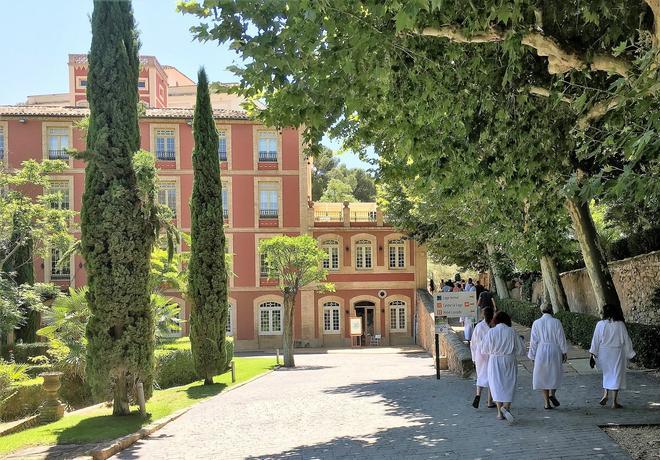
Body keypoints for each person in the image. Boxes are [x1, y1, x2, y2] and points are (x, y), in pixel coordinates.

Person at [589, 304, 635, 409]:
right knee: (616, 375)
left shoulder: (600, 324)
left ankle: (605, 395)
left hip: (604, 352)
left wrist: (592, 353)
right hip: (617, 352)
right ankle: (614, 402)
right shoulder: (620, 325)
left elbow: (595, 340)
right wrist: (630, 353)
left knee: (607, 373)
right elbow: (626, 339)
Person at [481, 311, 524, 423]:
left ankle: (500, 412)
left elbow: (484, 349)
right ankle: (506, 407)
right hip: (509, 359)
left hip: (495, 360)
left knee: (496, 384)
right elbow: (520, 349)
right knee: (509, 383)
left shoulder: (491, 332)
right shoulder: (512, 331)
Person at [528, 303, 568, 410]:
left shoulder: (536, 323)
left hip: (541, 350)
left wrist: (532, 355)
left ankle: (546, 403)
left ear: (541, 311)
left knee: (543, 375)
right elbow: (561, 338)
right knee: (555, 373)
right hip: (554, 349)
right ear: (551, 310)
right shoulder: (556, 322)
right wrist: (564, 351)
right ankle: (552, 393)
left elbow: (533, 341)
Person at [471, 307, 495, 409]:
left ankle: (478, 394)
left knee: (480, 375)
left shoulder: (478, 326)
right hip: (489, 353)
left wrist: (473, 357)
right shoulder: (492, 328)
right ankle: (490, 401)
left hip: (479, 354)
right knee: (491, 376)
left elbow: (473, 342)